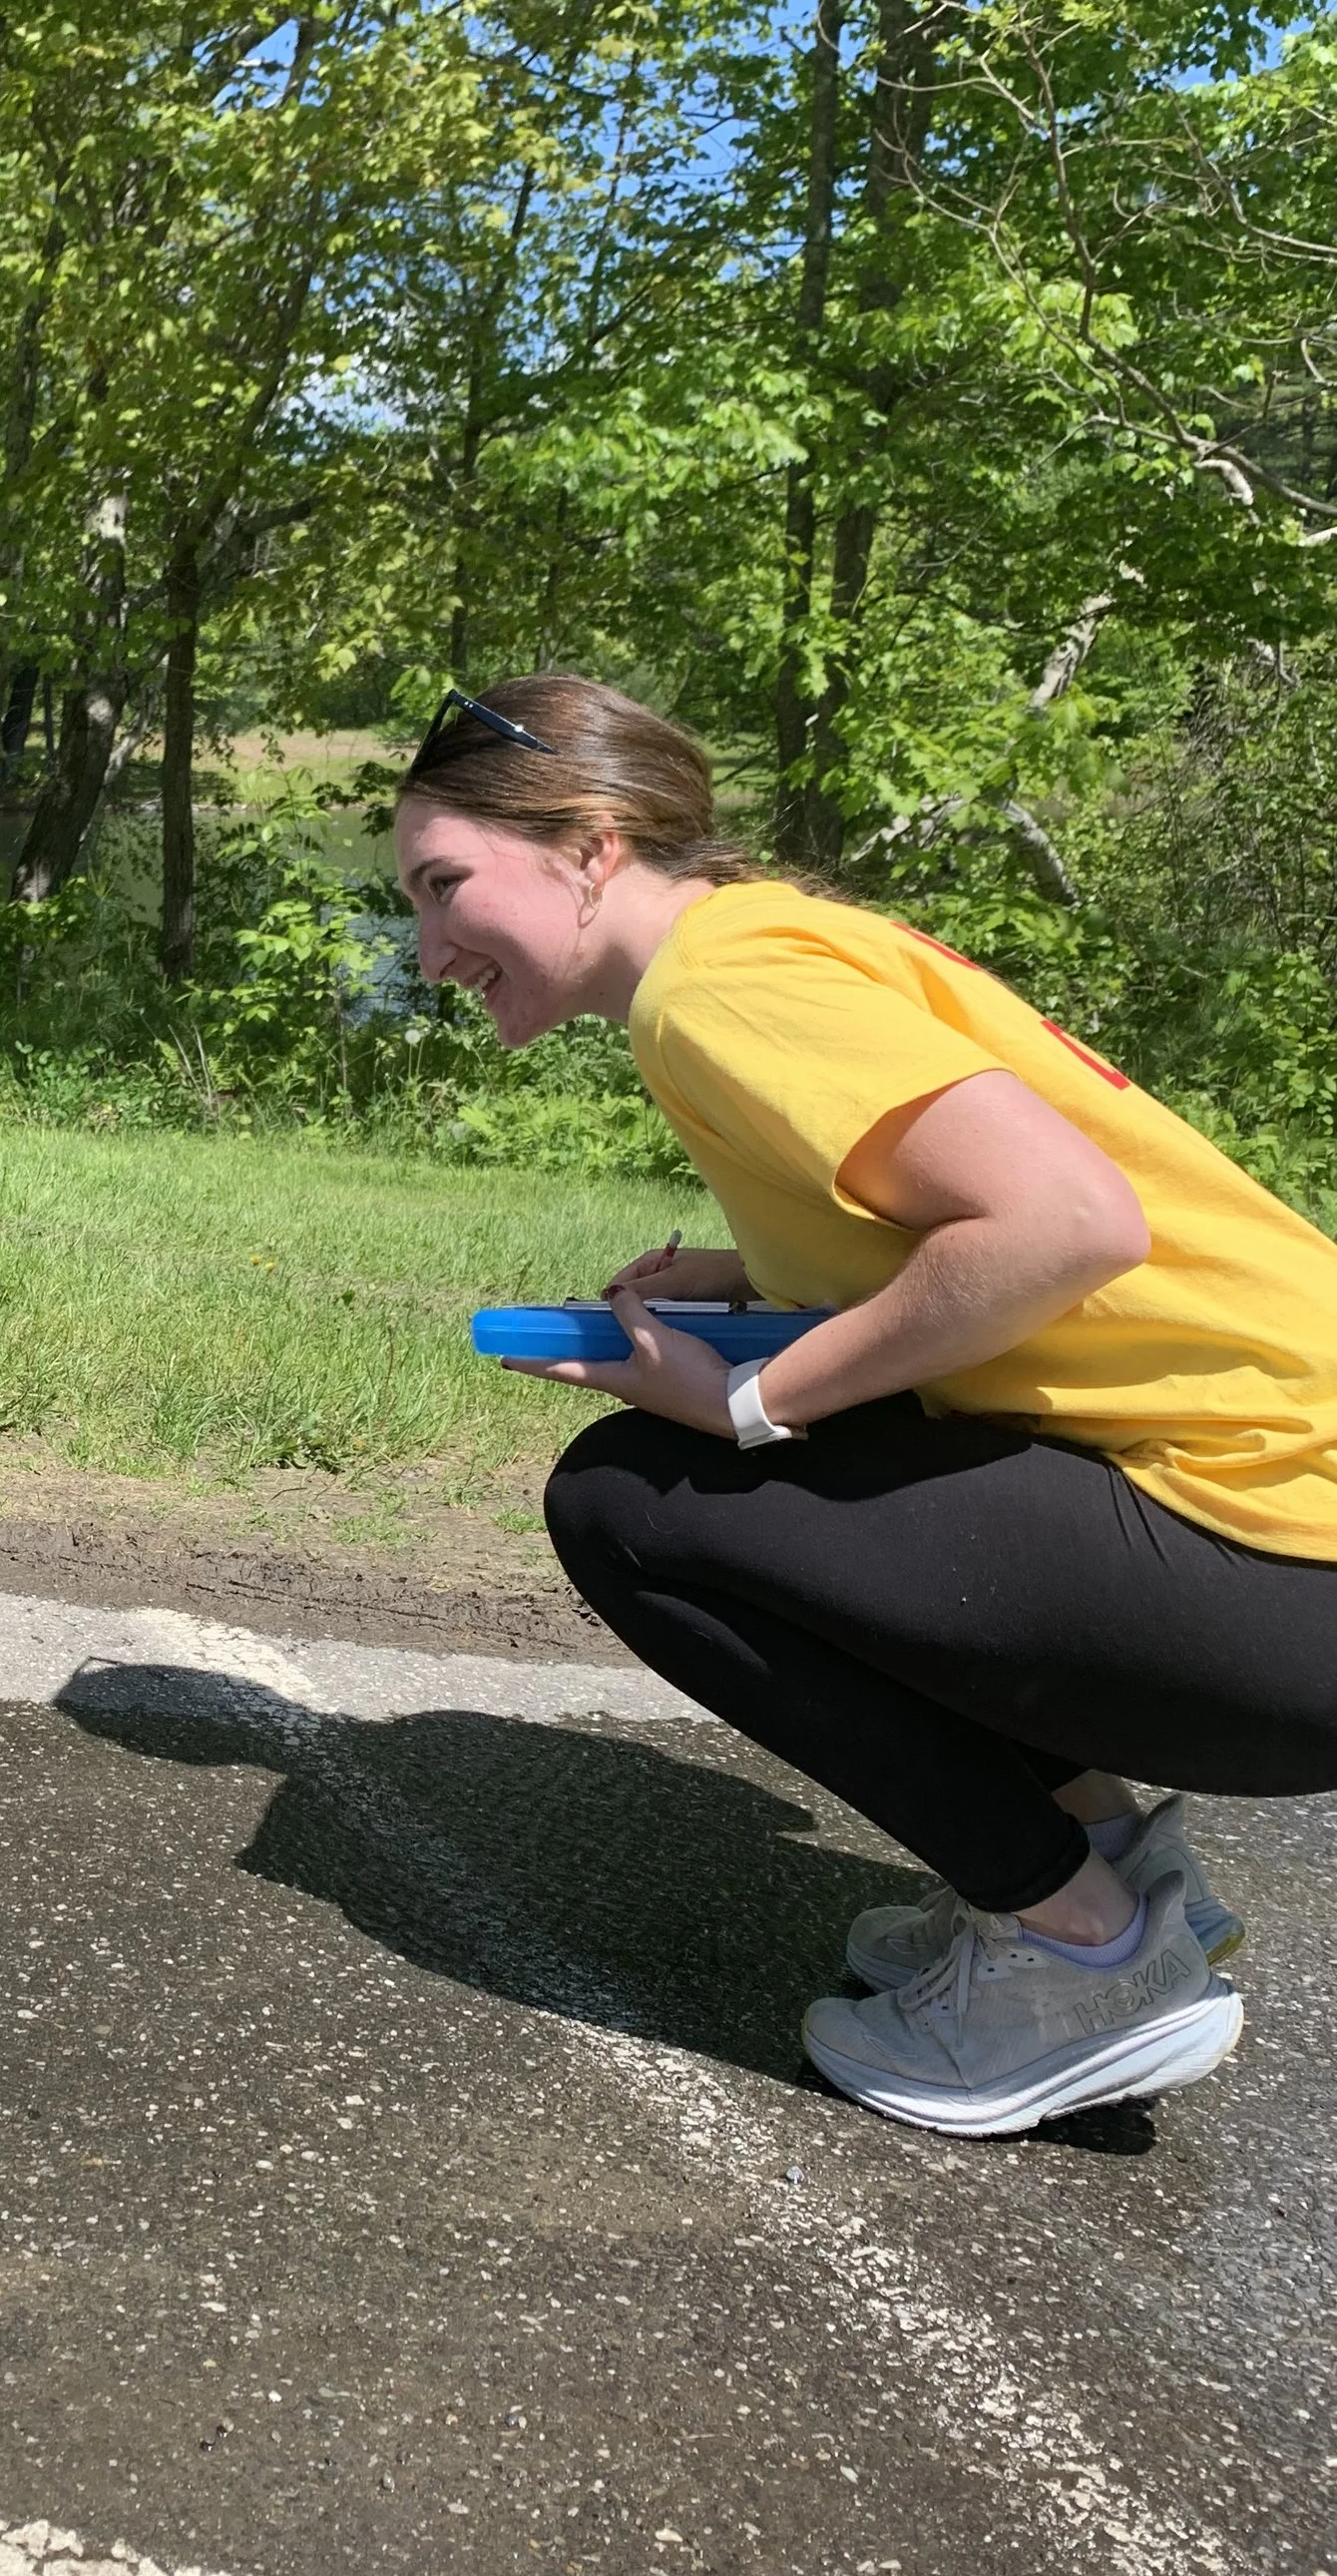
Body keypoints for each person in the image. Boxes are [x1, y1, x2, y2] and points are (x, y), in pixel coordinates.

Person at [397, 670, 1337, 2136]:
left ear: (589, 845)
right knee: (808, 1451)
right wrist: (753, 1272)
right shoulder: (771, 943)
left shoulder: (722, 989)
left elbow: (1067, 1224)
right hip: (1283, 1558)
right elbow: (964, 1234)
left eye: (446, 884)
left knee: (632, 1504)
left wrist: (754, 1399)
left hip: (1288, 1574)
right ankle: (1122, 1880)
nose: (427, 942)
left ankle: (1079, 1948)